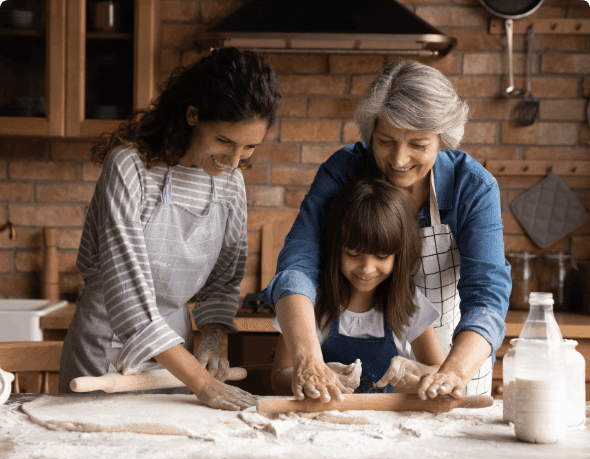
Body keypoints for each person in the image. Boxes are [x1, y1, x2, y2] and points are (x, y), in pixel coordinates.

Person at [260, 59, 510, 403]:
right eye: (385, 141)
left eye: (418, 145)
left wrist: (450, 373)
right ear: (370, 133)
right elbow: (298, 266)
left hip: (456, 362)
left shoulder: (473, 187)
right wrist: (309, 362)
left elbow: (487, 297)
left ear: (442, 139)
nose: (399, 159)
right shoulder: (344, 172)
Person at [59, 47, 281, 411]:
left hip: (177, 355)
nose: (235, 161)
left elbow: (222, 283)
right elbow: (128, 299)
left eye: (250, 148)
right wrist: (201, 381)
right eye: (225, 141)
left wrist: (209, 343)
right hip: (106, 348)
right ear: (193, 114)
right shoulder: (129, 168)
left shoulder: (231, 183)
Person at [271, 178, 445, 395]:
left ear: (398, 256)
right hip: (322, 422)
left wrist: (418, 372)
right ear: (336, 248)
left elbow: (441, 373)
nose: (367, 269)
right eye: (353, 254)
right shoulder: (308, 302)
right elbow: (278, 377)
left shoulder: (409, 303)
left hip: (386, 427)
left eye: (381, 256)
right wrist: (317, 375)